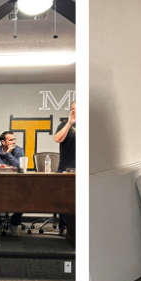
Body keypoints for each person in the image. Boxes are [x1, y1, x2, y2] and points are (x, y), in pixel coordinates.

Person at [52, 102, 77, 239]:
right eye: (73, 109)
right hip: (66, 168)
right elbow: (57, 139)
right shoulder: (64, 124)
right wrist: (69, 123)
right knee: (65, 199)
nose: (75, 111)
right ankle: (64, 227)